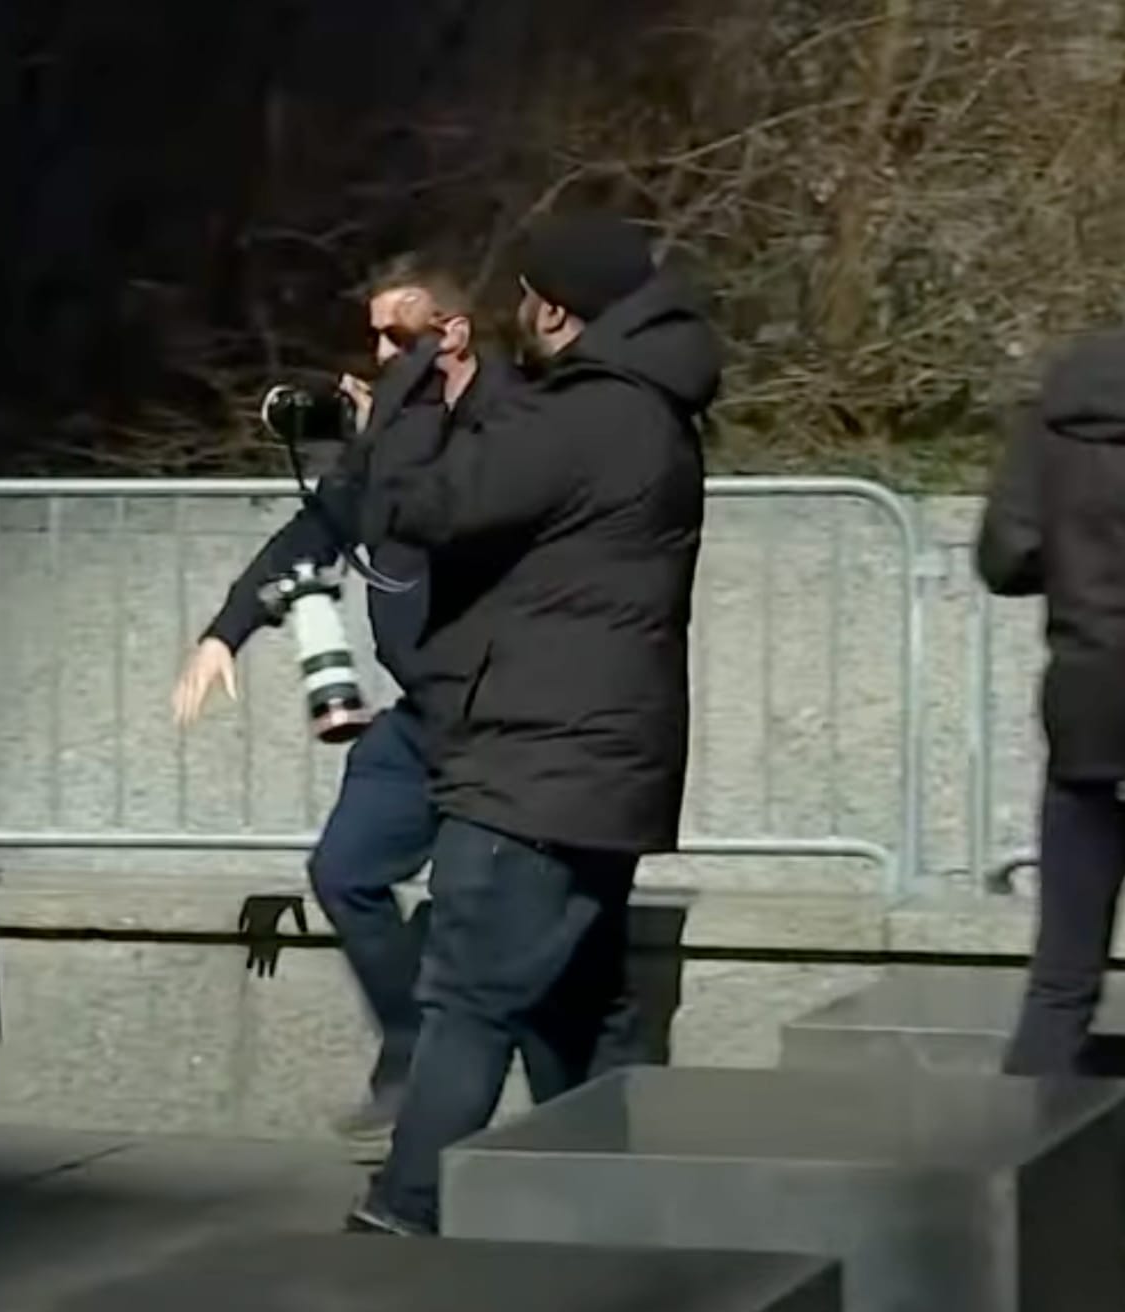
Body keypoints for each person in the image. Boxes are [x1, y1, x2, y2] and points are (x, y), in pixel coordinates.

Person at [352, 212, 721, 1235]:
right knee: (579, 1008)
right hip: (603, 765)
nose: (514, 314)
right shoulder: (651, 411)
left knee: (465, 996)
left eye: (523, 296)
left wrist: (405, 402)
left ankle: (405, 1207)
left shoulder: (586, 413)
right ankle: (611, 1211)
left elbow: (425, 507)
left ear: (553, 308)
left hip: (536, 763)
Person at [171, 253, 516, 1143]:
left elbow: (460, 511)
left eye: (396, 338)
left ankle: (482, 1104)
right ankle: (408, 1051)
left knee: (486, 913)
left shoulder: (510, 419)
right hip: (423, 714)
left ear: (454, 335)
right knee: (345, 872)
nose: (376, 355)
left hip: (501, 710)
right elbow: (317, 527)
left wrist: (391, 438)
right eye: (371, 338)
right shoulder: (392, 435)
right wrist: (225, 631)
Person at [977, 328, 1125, 1076]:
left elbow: (1005, 554)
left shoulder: (1056, 413)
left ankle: (1023, 1173)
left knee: (1063, 976)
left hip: (1090, 704)